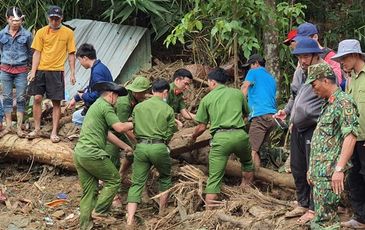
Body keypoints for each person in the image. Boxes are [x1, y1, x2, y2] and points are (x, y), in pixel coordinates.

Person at [274, 37, 327, 224]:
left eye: (306, 57)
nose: (302, 61)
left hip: (314, 127)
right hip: (297, 127)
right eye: (299, 57)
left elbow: (331, 96)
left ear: (314, 55)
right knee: (297, 167)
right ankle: (303, 203)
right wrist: (286, 111)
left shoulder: (323, 71)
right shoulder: (299, 71)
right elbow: (294, 95)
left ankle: (314, 208)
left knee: (312, 170)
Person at [189, 68, 253, 207]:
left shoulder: (207, 99)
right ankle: (246, 191)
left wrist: (193, 137)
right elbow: (246, 114)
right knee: (247, 163)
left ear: (212, 82)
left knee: (214, 178)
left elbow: (201, 127)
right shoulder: (237, 93)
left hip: (221, 138)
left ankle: (209, 210)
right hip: (240, 135)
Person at [73, 81, 133, 230]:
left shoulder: (96, 106)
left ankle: (85, 225)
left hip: (80, 153)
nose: (117, 101)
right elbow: (119, 128)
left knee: (90, 191)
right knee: (114, 180)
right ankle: (100, 212)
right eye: (117, 97)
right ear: (112, 95)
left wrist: (125, 146)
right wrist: (137, 122)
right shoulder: (106, 107)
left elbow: (106, 134)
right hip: (92, 153)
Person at [305, 63, 358, 229]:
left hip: (330, 175)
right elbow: (324, 139)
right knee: (321, 219)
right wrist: (312, 169)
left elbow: (350, 137)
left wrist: (339, 169)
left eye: (314, 85)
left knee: (326, 223)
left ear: (326, 80)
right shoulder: (329, 104)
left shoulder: (344, 103)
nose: (313, 89)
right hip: (320, 174)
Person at [126, 79, 176, 228]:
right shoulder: (167, 109)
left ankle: (129, 220)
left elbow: (134, 127)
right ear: (165, 92)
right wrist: (164, 141)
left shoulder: (138, 107)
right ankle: (162, 212)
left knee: (136, 183)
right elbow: (170, 131)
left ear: (152, 91)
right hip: (158, 147)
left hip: (140, 147)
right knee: (165, 177)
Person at [27, 5, 76, 143]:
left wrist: (72, 73)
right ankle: (36, 129)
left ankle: (54, 132)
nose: (54, 21)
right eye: (52, 18)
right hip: (41, 70)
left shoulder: (68, 33)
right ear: (48, 18)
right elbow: (37, 52)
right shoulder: (41, 32)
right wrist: (33, 71)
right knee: (37, 98)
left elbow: (71, 53)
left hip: (57, 71)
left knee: (56, 102)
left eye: (57, 19)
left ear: (61, 19)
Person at [331, 39, 365, 229]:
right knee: (354, 178)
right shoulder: (350, 79)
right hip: (354, 139)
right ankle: (361, 218)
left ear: (354, 55)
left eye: (344, 58)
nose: (341, 62)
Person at [104, 76, 151, 204]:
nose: (144, 94)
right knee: (112, 161)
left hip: (119, 130)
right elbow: (122, 127)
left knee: (133, 153)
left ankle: (122, 174)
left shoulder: (136, 99)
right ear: (135, 91)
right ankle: (114, 196)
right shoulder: (124, 103)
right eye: (143, 92)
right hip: (110, 133)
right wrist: (136, 140)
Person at [0, 7, 32, 137]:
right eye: (13, 20)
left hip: (21, 70)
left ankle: (19, 128)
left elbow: (31, 52)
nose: (16, 23)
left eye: (18, 20)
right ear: (8, 19)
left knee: (21, 98)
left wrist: (30, 69)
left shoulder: (27, 35)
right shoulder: (2, 34)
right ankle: (8, 126)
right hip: (5, 69)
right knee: (6, 97)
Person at [241, 54, 277, 169]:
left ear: (256, 63)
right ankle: (260, 178)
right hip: (272, 118)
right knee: (258, 150)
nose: (249, 69)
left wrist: (237, 105)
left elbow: (245, 88)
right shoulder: (271, 78)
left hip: (260, 116)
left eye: (250, 65)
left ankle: (247, 181)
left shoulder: (254, 72)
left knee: (250, 151)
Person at [68, 43, 113, 125]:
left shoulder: (97, 72)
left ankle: (93, 135)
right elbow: (92, 87)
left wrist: (83, 96)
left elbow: (97, 95)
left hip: (103, 107)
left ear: (85, 58)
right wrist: (76, 98)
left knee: (76, 118)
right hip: (104, 104)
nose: (80, 63)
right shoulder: (99, 67)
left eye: (80, 60)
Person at [293, 22, 344, 89]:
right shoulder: (302, 58)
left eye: (304, 40)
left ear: (315, 37)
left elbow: (337, 82)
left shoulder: (329, 55)